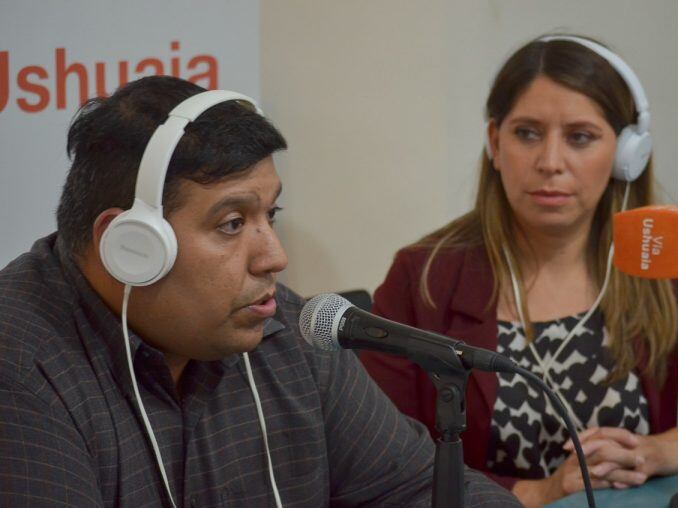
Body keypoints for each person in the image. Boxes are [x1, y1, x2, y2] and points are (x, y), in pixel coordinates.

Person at [0, 76, 520, 507]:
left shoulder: (288, 333)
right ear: (130, 247)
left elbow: (416, 489)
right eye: (231, 223)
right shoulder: (21, 366)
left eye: (269, 215)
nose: (275, 256)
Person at [359, 34, 678, 506]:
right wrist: (539, 491)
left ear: (625, 155)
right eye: (527, 133)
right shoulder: (424, 276)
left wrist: (669, 449)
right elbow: (381, 460)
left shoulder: (662, 268)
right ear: (495, 141)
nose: (550, 163)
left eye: (580, 137)